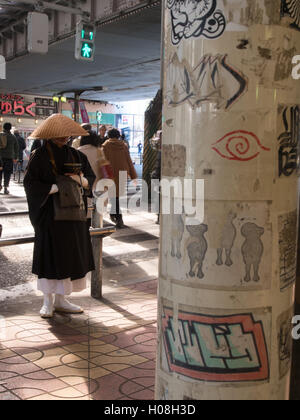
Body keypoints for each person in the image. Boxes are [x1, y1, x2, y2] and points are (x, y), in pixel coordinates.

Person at [23, 114, 96, 319]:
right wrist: (54, 187)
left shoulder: (76, 154)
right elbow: (30, 184)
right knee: (50, 257)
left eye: (67, 134)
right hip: (49, 216)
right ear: (50, 135)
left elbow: (91, 178)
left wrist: (80, 180)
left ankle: (63, 300)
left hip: (73, 214)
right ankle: (47, 301)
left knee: (71, 256)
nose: (65, 137)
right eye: (60, 135)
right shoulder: (40, 155)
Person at [103, 129, 137, 229]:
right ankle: (114, 215)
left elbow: (103, 162)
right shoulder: (123, 146)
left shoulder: (105, 146)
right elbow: (129, 161)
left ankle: (118, 218)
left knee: (114, 197)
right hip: (122, 174)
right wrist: (133, 175)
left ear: (108, 136)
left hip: (110, 174)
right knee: (116, 197)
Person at [78, 131, 109, 226]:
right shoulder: (99, 151)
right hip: (98, 191)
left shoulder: (77, 151)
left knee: (83, 222)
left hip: (82, 190)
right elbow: (106, 172)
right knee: (96, 222)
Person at [0, 123, 19, 194]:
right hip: (9, 158)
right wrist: (15, 157)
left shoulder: (0, 135)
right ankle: (5, 188)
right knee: (7, 174)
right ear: (10, 128)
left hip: (0, 158)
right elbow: (16, 148)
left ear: (4, 128)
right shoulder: (13, 137)